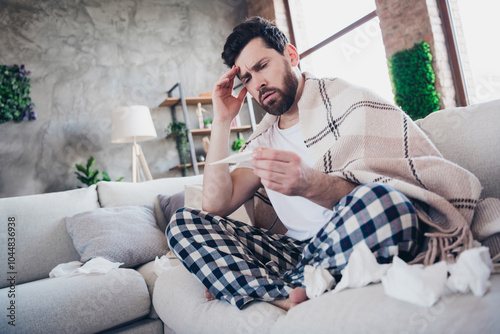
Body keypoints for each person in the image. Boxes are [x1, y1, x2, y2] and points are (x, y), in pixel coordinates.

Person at [166, 17, 482, 311]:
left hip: (354, 233)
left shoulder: (350, 101)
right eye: (247, 78)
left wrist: (309, 184)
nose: (258, 83)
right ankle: (297, 287)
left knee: (386, 204)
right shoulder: (261, 143)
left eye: (263, 66)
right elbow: (215, 204)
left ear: (290, 55)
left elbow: (401, 189)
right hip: (294, 253)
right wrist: (222, 120)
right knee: (183, 223)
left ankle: (263, 288)